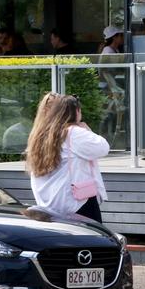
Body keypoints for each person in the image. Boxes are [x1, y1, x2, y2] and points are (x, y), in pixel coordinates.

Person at [26, 93, 109, 221]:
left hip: (48, 204)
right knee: (93, 239)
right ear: (76, 111)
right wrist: (86, 130)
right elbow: (103, 147)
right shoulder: (73, 133)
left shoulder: (39, 134)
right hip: (76, 203)